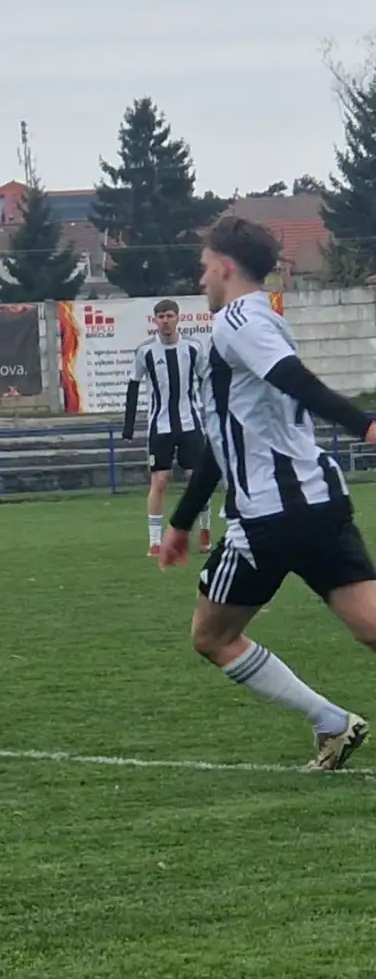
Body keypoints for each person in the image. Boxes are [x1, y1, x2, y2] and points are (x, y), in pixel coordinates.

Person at [160, 215, 375, 770]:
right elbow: (227, 437)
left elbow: (293, 380)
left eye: (205, 268)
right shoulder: (267, 319)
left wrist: (365, 425)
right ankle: (333, 725)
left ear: (224, 267)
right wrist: (183, 520)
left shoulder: (235, 321)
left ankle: (332, 722)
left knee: (212, 637)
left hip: (269, 516)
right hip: (321, 499)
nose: (201, 279)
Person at [123, 298, 212, 556]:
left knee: (196, 479)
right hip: (160, 426)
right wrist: (128, 428)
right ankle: (154, 541)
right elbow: (133, 386)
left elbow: (206, 382)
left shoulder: (193, 348)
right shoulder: (145, 351)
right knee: (159, 481)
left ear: (177, 318)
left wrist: (213, 416)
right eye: (161, 316)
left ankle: (205, 531)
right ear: (155, 320)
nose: (165, 321)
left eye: (169, 315)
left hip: (190, 424)